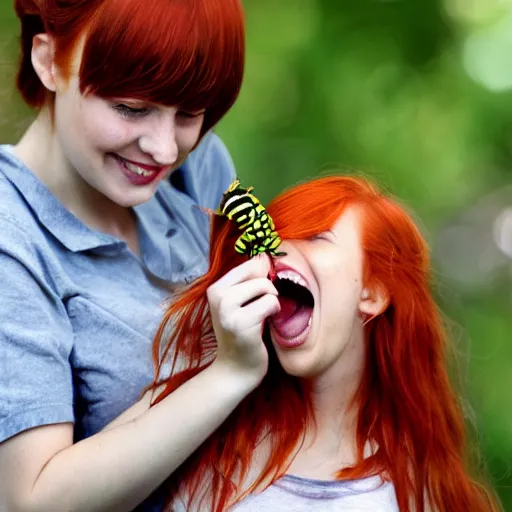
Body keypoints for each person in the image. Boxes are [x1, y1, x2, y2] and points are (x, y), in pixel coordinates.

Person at [0, 1, 273, 511]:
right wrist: (224, 374)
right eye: (131, 107)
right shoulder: (12, 238)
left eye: (190, 113)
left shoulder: (200, 172)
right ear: (50, 62)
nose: (165, 149)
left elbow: (271, 253)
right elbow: (30, 501)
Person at [149, 176, 503, 512]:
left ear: (373, 292)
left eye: (317, 236)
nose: (280, 247)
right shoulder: (202, 418)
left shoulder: (412, 496)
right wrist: (228, 372)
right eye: (279, 233)